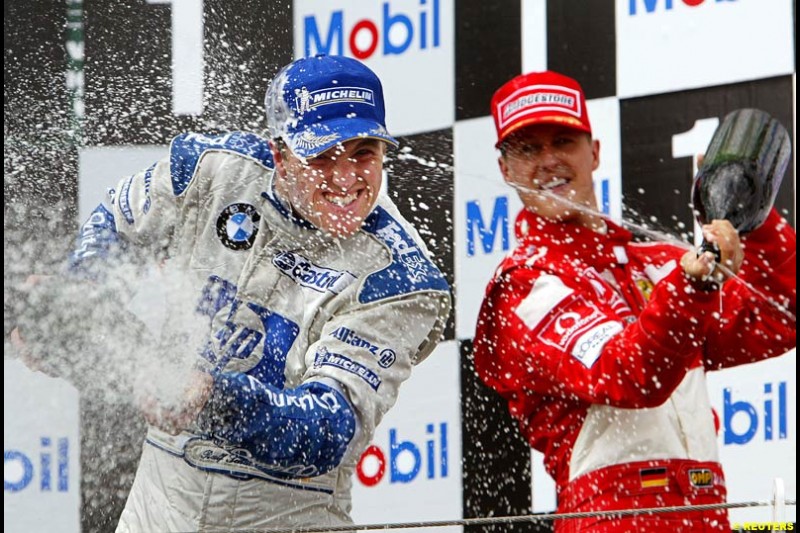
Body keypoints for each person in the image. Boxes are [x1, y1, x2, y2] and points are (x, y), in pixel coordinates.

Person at [15, 55, 451, 531]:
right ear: (280, 155)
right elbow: (114, 222)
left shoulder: (401, 277)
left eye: (363, 152)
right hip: (159, 507)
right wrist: (78, 304)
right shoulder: (210, 170)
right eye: (322, 156)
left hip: (288, 515)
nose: (345, 178)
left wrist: (211, 398)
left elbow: (329, 431)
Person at [472, 70, 796, 532]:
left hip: (706, 515)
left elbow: (781, 317)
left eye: (563, 141)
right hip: (610, 519)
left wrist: (751, 215)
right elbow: (629, 376)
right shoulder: (523, 287)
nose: (547, 161)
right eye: (528, 148)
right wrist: (694, 288)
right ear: (506, 170)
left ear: (595, 153)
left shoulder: (661, 263)